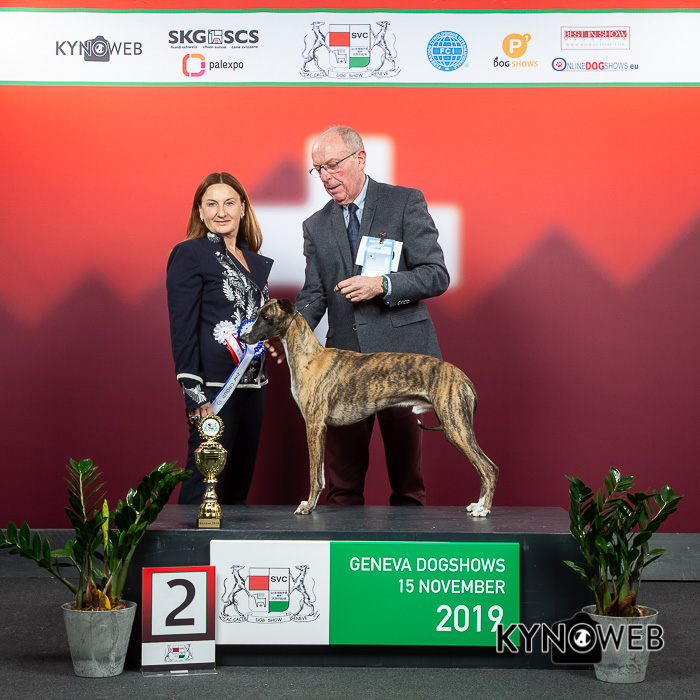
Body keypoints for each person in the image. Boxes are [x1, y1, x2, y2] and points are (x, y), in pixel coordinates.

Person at [294, 126, 450, 506]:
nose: (326, 176)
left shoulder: (404, 202)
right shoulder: (315, 225)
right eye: (318, 169)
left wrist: (383, 284)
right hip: (343, 366)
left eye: (333, 165)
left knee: (408, 484)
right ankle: (341, 543)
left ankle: (409, 542)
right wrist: (289, 332)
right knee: (342, 486)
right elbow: (314, 295)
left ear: (360, 159)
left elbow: (436, 274)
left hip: (401, 360)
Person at [166, 172, 274, 505]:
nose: (221, 211)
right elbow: (182, 330)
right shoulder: (189, 253)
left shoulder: (252, 259)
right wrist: (195, 395)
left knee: (237, 490)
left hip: (254, 386)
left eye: (229, 203)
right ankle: (189, 543)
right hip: (214, 389)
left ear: (243, 208)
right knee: (204, 487)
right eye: (211, 204)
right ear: (200, 211)